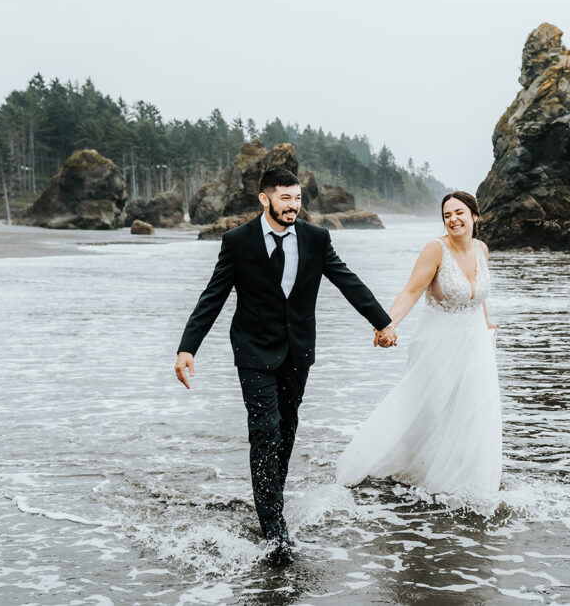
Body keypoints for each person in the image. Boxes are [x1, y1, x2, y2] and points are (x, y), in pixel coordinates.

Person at [174, 167, 396, 564]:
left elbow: (348, 281)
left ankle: (269, 498)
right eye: (285, 198)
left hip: (297, 351)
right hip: (253, 351)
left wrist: (382, 321)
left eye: (297, 198)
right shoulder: (238, 242)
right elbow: (214, 295)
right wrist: (188, 347)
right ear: (265, 199)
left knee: (287, 429)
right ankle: (275, 533)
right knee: (264, 432)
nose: (293, 205)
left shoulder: (315, 238)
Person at [335, 191, 502, 504]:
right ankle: (412, 470)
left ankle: (461, 480)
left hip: (476, 344)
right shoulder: (435, 250)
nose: (453, 219)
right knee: (430, 409)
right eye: (447, 215)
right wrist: (388, 325)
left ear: (474, 216)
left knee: (473, 410)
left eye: (459, 213)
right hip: (438, 344)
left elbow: (477, 295)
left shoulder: (482, 249)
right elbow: (411, 292)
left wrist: (488, 322)